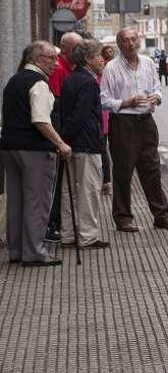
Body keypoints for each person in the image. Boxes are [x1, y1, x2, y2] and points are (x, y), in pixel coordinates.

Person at [1, 41, 73, 266]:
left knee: (16, 200)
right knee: (37, 201)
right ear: (37, 59)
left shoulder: (13, 81)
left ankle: (16, 250)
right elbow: (41, 119)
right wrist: (61, 143)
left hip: (10, 147)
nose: (55, 62)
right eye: (51, 58)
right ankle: (34, 253)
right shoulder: (39, 83)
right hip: (34, 150)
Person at [101, 28, 168, 232]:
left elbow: (157, 87)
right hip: (123, 123)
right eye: (125, 40)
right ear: (119, 44)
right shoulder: (111, 67)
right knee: (123, 171)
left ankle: (161, 216)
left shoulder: (148, 62)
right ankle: (123, 218)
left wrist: (157, 97)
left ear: (139, 42)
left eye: (134, 39)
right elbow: (103, 100)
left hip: (146, 121)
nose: (130, 43)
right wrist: (127, 102)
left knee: (152, 169)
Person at [59, 39, 112, 250]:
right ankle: (88, 236)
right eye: (99, 55)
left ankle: (68, 234)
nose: (102, 59)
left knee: (68, 191)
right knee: (89, 191)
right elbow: (81, 115)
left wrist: (64, 139)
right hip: (85, 144)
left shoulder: (71, 79)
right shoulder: (89, 83)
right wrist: (69, 138)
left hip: (71, 143)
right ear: (89, 59)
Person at [44, 31, 83, 243]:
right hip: (59, 135)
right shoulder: (58, 69)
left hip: (63, 133)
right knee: (56, 183)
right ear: (66, 49)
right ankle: (53, 224)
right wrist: (61, 139)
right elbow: (57, 108)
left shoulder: (70, 68)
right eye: (76, 48)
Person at [99, 45, 114, 195]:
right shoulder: (101, 74)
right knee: (103, 149)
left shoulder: (107, 73)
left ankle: (107, 181)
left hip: (108, 116)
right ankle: (106, 181)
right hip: (103, 117)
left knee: (106, 150)